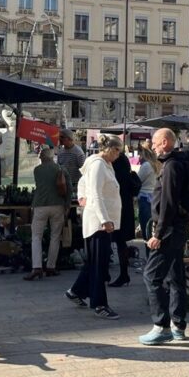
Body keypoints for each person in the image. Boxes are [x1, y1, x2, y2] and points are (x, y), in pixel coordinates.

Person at [139, 128, 189, 346]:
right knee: (176, 276)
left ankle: (162, 326)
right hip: (178, 228)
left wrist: (158, 234)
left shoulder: (170, 167)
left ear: (166, 142)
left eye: (155, 141)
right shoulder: (180, 163)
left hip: (169, 231)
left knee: (152, 276)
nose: (153, 145)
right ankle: (178, 324)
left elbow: (168, 203)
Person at [65, 134, 122, 319]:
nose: (119, 154)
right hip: (99, 222)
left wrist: (82, 194)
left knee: (94, 261)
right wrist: (105, 219)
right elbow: (96, 193)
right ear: (110, 149)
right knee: (99, 264)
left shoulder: (103, 164)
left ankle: (76, 291)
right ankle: (99, 304)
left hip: (102, 221)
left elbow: (83, 181)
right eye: (118, 150)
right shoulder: (98, 164)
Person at [26, 147, 69, 280]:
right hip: (58, 205)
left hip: (40, 205)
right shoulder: (61, 169)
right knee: (55, 237)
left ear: (43, 157)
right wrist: (67, 205)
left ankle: (37, 267)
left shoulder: (37, 170)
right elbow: (69, 189)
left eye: (40, 156)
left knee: (36, 236)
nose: (39, 158)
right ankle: (51, 267)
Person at [109, 149, 139, 287]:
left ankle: (123, 274)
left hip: (118, 208)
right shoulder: (124, 164)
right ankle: (123, 273)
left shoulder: (116, 169)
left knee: (118, 241)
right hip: (125, 207)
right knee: (120, 242)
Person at [136, 147, 161, 242]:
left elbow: (138, 180)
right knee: (152, 226)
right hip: (154, 196)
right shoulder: (157, 164)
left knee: (146, 227)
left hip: (144, 197)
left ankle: (148, 252)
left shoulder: (146, 165)